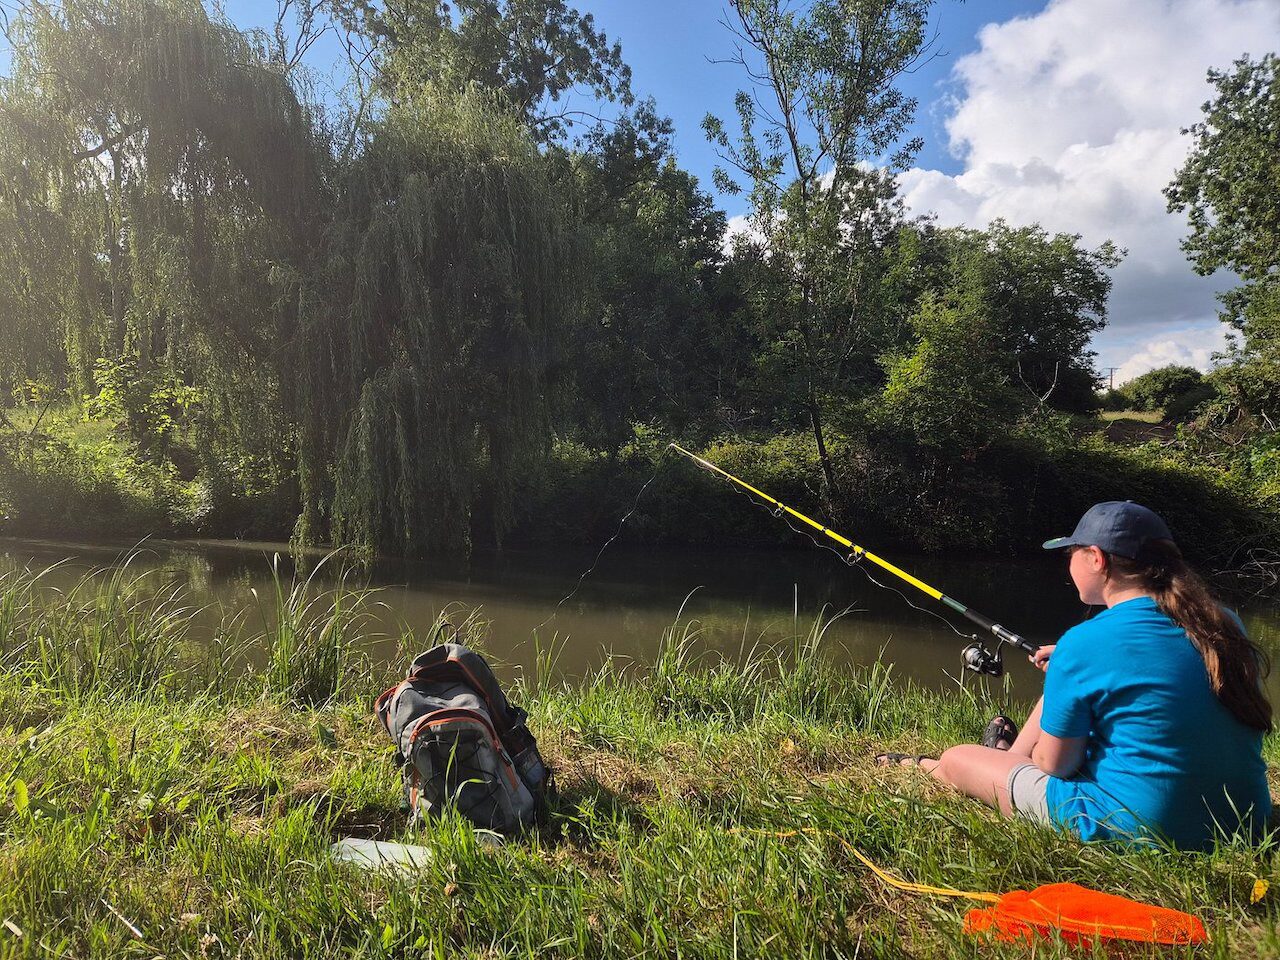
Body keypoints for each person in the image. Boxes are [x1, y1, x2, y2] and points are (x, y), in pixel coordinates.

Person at [877, 501, 1272, 849]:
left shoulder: (1084, 641)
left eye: (1071, 553)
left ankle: (933, 766)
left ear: (1096, 559)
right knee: (1053, 711)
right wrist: (1067, 668)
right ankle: (1005, 758)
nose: (1068, 564)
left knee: (958, 757)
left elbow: (1056, 766)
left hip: (1140, 828)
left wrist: (1071, 662)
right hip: (1244, 821)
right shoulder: (1224, 624)